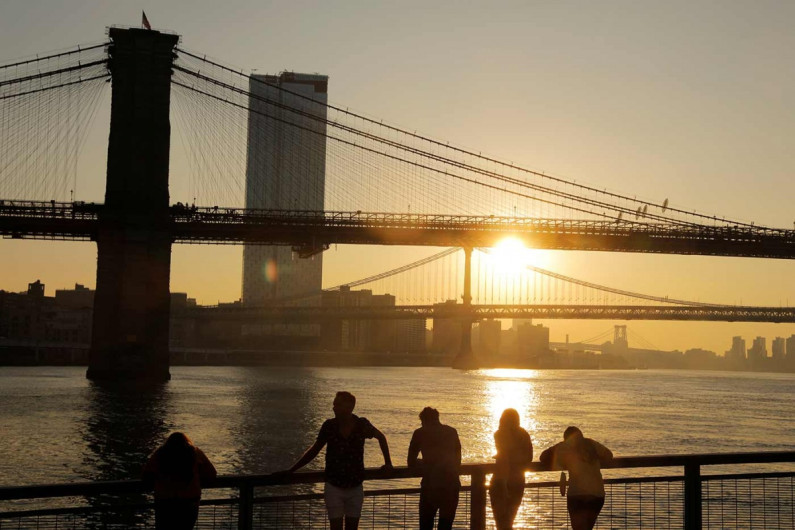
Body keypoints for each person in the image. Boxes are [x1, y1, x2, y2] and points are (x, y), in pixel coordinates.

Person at [279, 391, 393, 530]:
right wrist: (292, 470)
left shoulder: (361, 424)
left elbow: (381, 437)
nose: (334, 408)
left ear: (349, 407)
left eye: (337, 405)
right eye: (334, 404)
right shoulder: (329, 426)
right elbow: (314, 450)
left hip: (355, 487)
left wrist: (388, 463)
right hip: (334, 486)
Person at [539, 426, 613, 530]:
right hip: (597, 494)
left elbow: (543, 457)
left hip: (577, 495)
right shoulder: (591, 443)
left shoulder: (564, 447)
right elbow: (609, 455)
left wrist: (562, 461)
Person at [142, 432, 217, 530]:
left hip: (164, 501)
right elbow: (211, 473)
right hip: (189, 501)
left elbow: (146, 474)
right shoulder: (195, 452)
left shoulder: (160, 453)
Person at [407, 407, 462, 530]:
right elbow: (458, 461)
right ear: (437, 419)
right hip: (451, 486)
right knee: (446, 526)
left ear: (423, 421)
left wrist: (425, 462)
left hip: (430, 486)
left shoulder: (420, 433)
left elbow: (411, 462)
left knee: (426, 526)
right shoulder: (452, 432)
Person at [489, 409, 533, 530]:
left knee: (501, 523)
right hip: (518, 480)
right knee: (509, 521)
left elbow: (503, 456)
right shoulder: (524, 435)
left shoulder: (499, 434)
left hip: (499, 480)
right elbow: (529, 457)